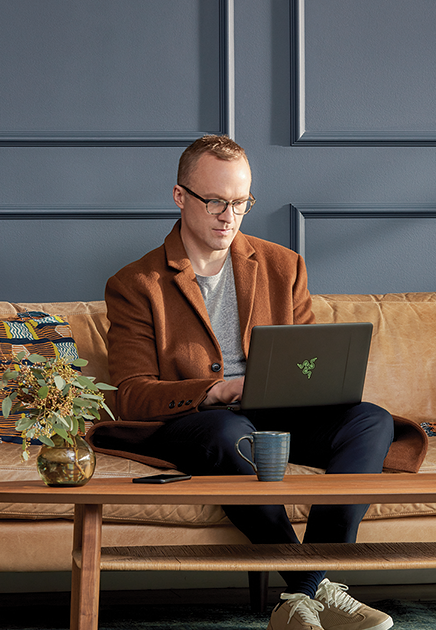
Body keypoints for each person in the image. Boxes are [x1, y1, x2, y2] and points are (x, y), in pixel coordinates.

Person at [93, 135, 399, 630]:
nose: (228, 216)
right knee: (228, 431)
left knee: (372, 420)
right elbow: (130, 393)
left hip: (278, 415)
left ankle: (302, 594)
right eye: (215, 201)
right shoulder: (136, 284)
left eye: (240, 203)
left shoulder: (282, 265)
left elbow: (305, 356)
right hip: (199, 423)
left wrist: (316, 382)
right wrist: (213, 391)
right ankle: (318, 589)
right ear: (180, 196)